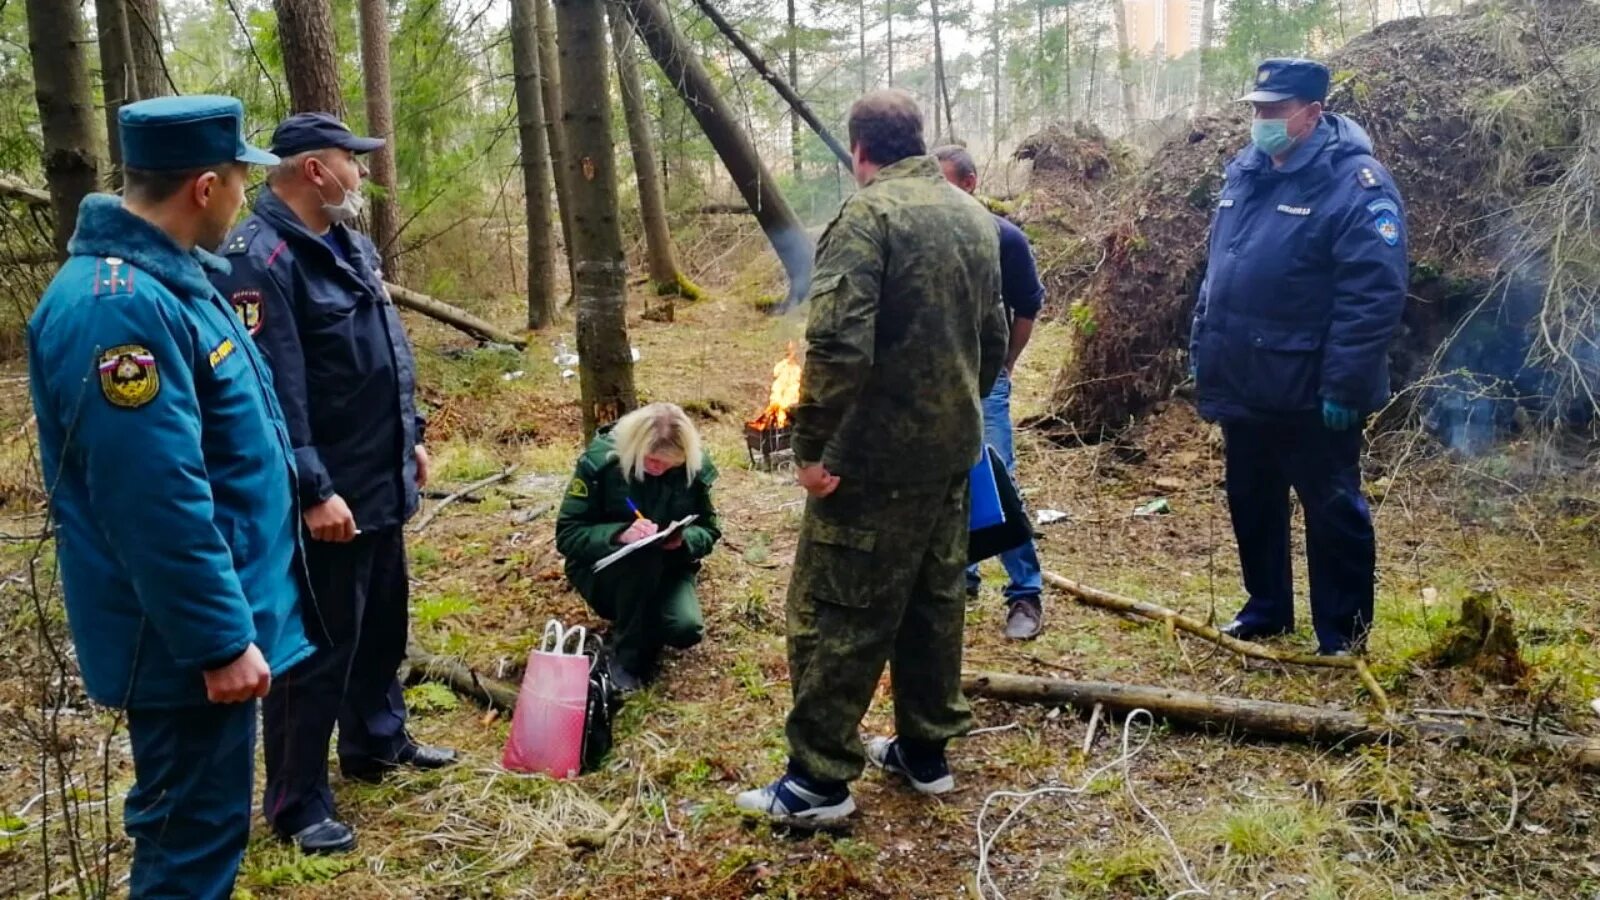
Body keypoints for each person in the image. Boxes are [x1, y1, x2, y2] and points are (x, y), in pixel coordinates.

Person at [28, 96, 311, 899]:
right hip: (181, 646)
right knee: (190, 844)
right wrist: (219, 641)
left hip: (203, 627)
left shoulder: (171, 284)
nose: (241, 198)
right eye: (236, 181)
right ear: (203, 186)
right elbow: (152, 499)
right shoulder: (118, 307)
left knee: (202, 830)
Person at [736, 90, 1008, 823]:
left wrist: (814, 444)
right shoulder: (973, 214)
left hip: (872, 463)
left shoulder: (868, 216)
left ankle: (817, 783)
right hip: (950, 454)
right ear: (916, 139)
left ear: (859, 150)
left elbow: (837, 344)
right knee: (932, 600)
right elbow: (994, 334)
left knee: (835, 612)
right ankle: (926, 751)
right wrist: (961, 409)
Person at [209, 112, 455, 855]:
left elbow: (387, 350)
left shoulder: (351, 242)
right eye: (352, 161)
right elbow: (273, 392)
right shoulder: (261, 258)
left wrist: (409, 438)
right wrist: (313, 489)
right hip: (326, 497)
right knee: (316, 645)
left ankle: (376, 741)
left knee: (382, 622)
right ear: (316, 169)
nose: (361, 173)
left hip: (379, 478)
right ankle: (296, 800)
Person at [1190, 58, 1408, 656]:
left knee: (1331, 506)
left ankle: (1342, 632)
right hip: (1245, 377)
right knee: (1251, 498)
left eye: (1273, 110)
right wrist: (1202, 344)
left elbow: (1373, 293)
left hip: (1312, 388)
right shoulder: (1246, 171)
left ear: (1312, 113)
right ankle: (1266, 610)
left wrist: (1344, 384)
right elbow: (1220, 272)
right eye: (1256, 109)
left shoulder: (1355, 183)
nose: (1260, 121)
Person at [933, 144, 1047, 640]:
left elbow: (1027, 306)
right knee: (948, 479)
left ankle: (1025, 592)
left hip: (986, 376)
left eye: (945, 182)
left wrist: (1006, 364)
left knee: (995, 472)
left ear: (971, 183)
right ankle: (963, 577)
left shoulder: (1005, 238)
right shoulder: (930, 237)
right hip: (939, 378)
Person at [555, 403, 721, 691]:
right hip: (605, 570)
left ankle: (642, 623)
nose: (656, 468)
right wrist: (619, 534)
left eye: (666, 463)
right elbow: (568, 534)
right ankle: (627, 658)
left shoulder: (692, 470)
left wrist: (683, 541)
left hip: (669, 566)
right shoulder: (602, 463)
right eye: (650, 459)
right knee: (641, 563)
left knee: (685, 629)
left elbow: (709, 529)